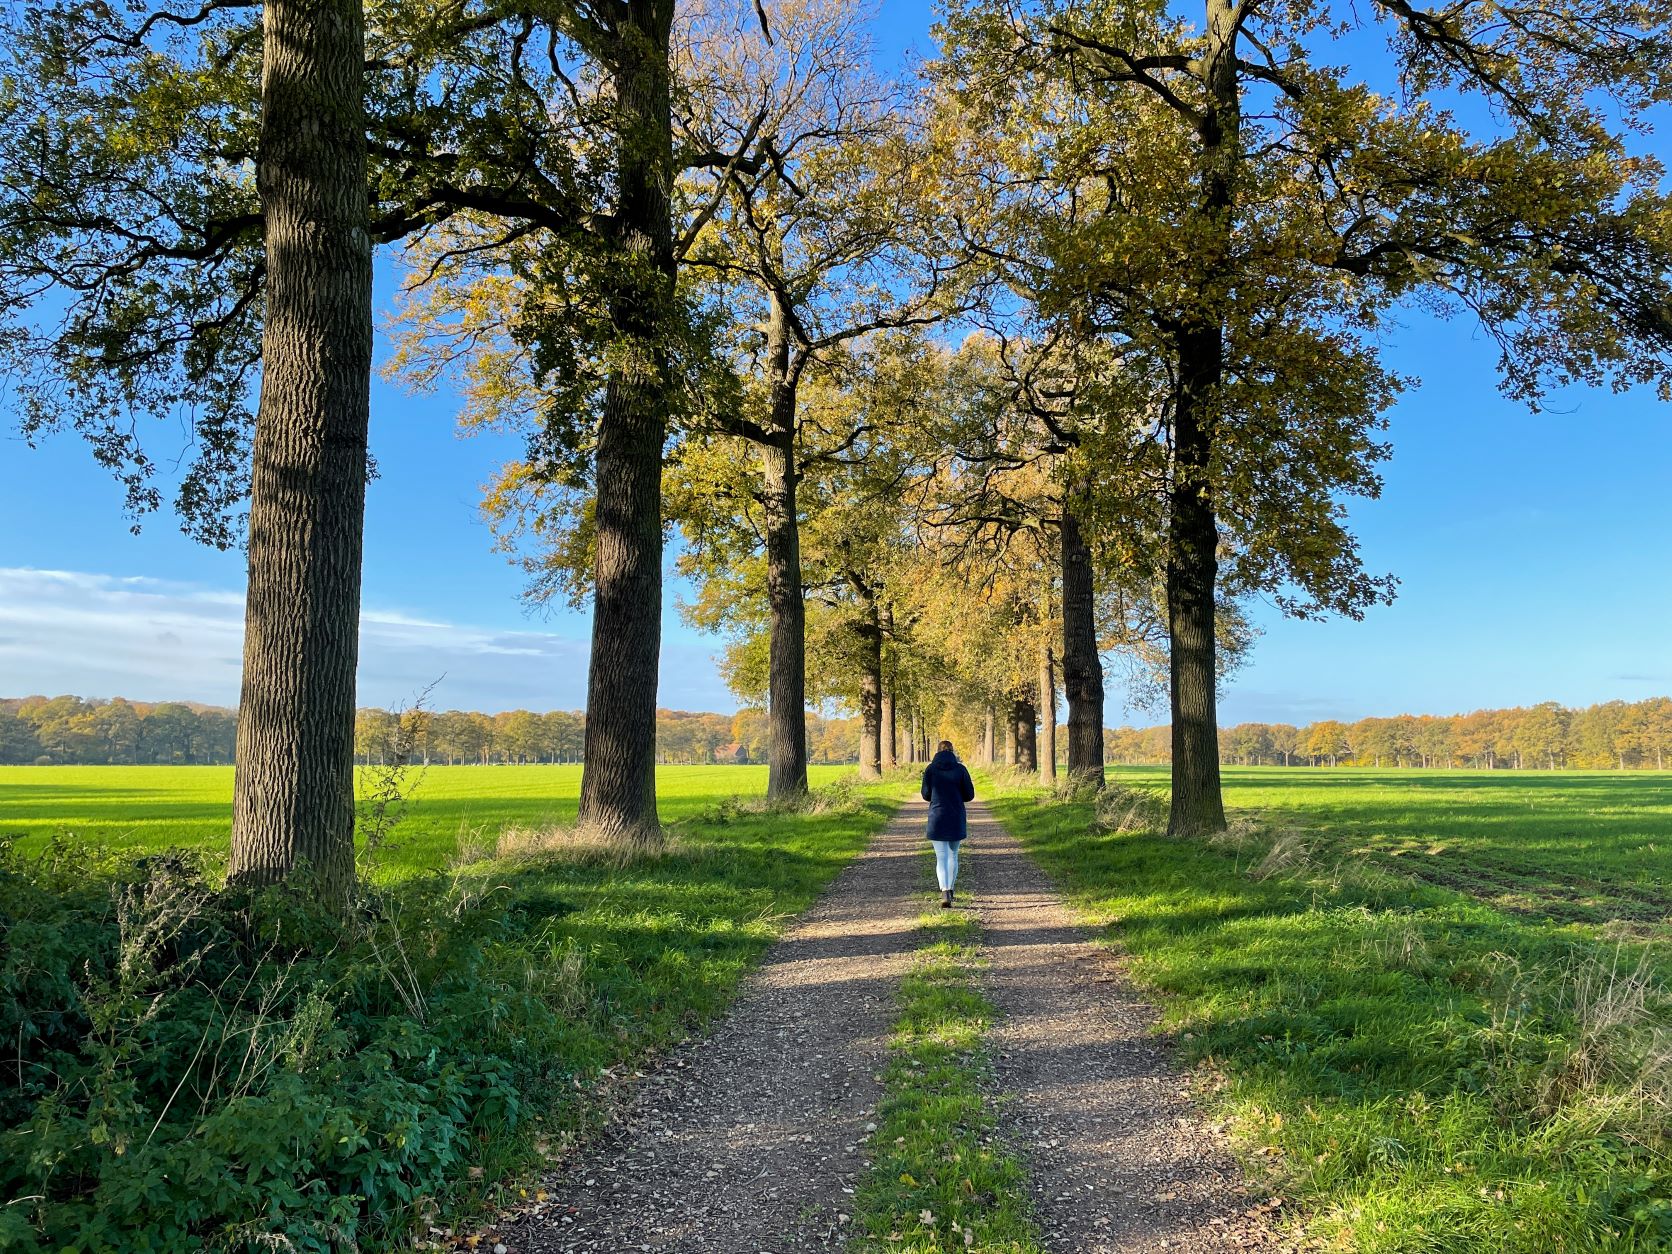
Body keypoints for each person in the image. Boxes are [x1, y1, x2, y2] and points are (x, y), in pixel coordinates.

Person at [920, 739, 975, 908]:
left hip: (937, 816)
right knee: (953, 855)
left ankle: (944, 891)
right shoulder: (961, 769)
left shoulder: (930, 769)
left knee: (941, 857)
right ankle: (950, 889)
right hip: (956, 815)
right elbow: (969, 795)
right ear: (953, 751)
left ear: (937, 751)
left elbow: (925, 794)